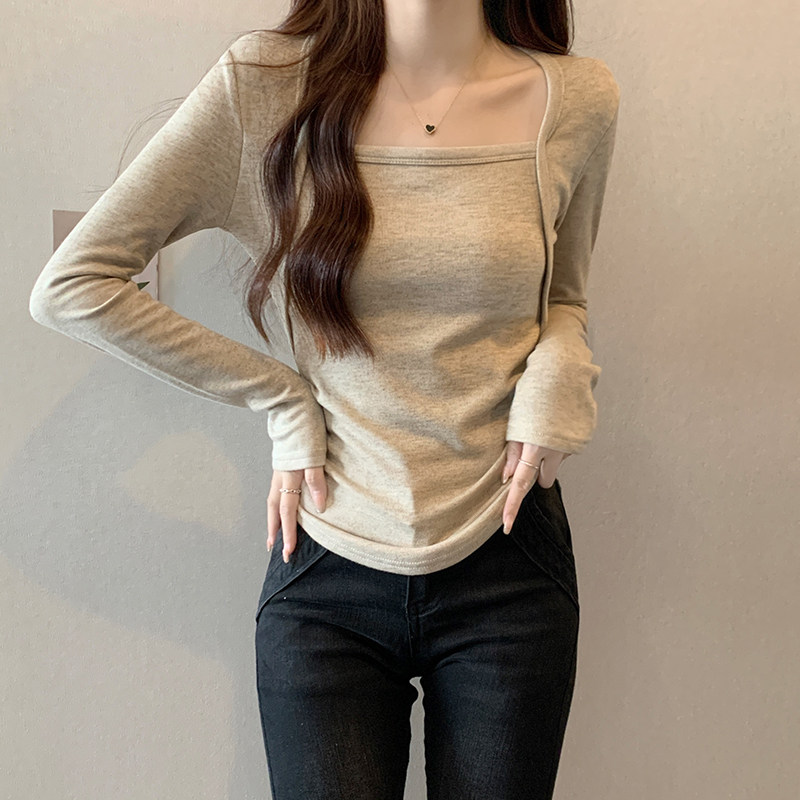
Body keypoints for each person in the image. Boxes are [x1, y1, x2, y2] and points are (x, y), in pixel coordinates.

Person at [29, 0, 620, 797]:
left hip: (509, 555)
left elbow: (566, 299)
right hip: (326, 558)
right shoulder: (264, 88)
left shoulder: (577, 99)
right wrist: (281, 399)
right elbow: (75, 284)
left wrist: (556, 381)